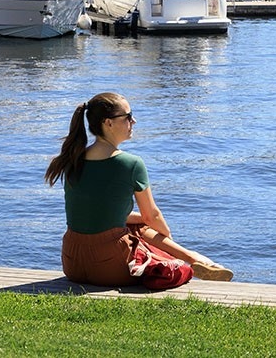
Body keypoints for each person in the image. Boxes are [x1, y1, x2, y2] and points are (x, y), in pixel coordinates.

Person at [44, 92, 233, 286]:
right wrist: (168, 239)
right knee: (176, 269)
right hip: (110, 270)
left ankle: (192, 257)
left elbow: (102, 212)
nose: (133, 121)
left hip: (73, 263)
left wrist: (142, 220)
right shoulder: (130, 163)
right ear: (108, 123)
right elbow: (152, 216)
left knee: (137, 225)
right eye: (128, 116)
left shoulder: (72, 160)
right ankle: (186, 260)